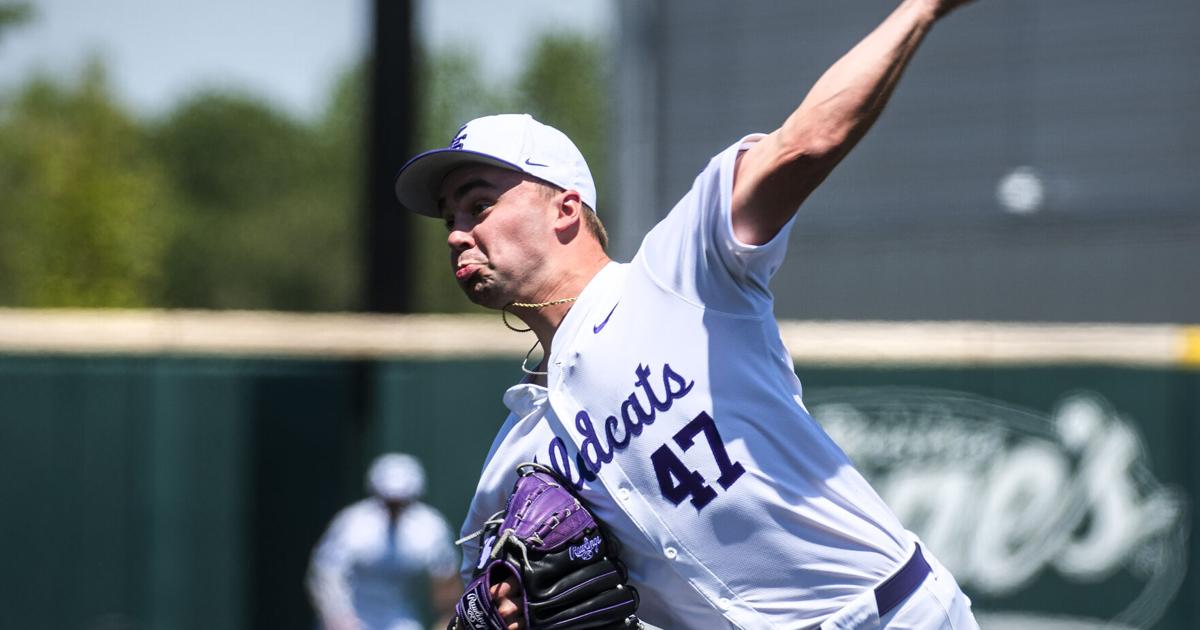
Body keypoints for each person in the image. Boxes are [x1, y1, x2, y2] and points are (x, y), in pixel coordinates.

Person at [394, 0, 980, 627]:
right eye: (450, 219)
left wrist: (921, 10)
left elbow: (807, 143)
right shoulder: (518, 460)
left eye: (478, 205)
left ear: (566, 210)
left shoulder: (675, 276)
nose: (457, 232)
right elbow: (473, 610)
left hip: (892, 614)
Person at [307, 453, 460, 630]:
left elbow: (445, 579)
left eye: (401, 501)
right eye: (388, 500)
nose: (394, 507)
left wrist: (447, 617)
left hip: (400, 617)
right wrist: (336, 616)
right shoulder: (352, 523)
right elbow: (326, 572)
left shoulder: (430, 527)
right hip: (352, 614)